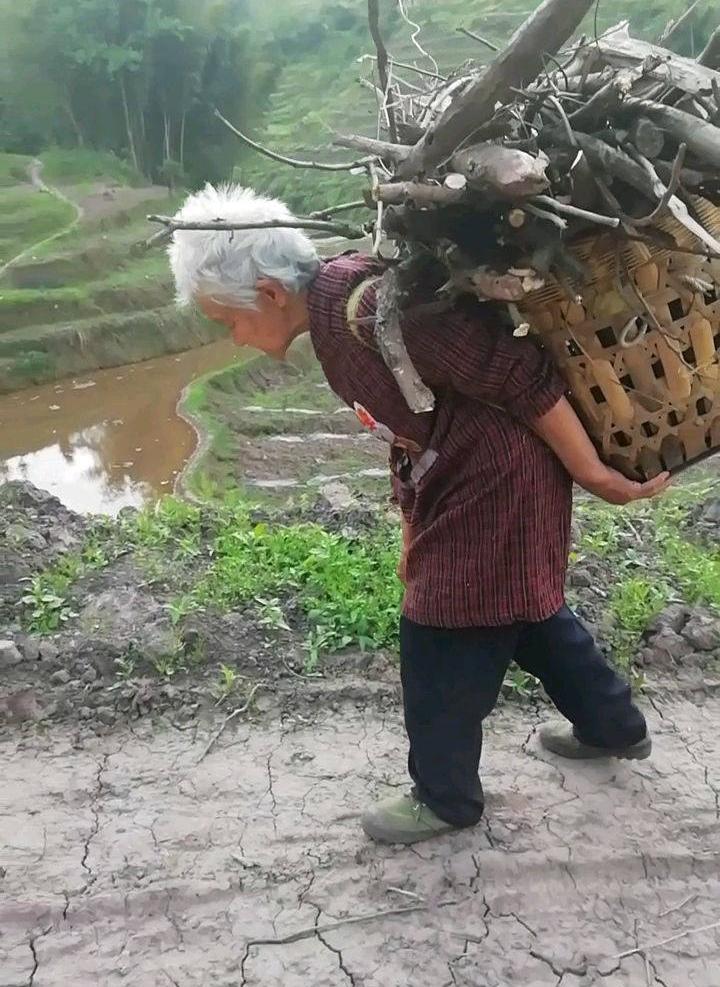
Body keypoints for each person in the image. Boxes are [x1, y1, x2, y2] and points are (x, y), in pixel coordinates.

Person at [169, 183, 668, 845]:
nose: (232, 339)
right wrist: (411, 505)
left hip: (495, 479)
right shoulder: (333, 313)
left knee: (438, 634)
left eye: (224, 321)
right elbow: (415, 420)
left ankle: (445, 797)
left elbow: (518, 375)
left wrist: (591, 471)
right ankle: (614, 727)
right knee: (524, 608)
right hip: (467, 476)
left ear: (266, 293)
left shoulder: (366, 308)